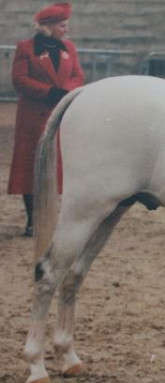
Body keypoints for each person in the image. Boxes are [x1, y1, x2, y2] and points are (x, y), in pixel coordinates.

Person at [7, 2, 84, 237]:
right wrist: (49, 92)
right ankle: (33, 220)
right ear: (48, 26)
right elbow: (20, 79)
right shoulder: (26, 48)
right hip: (33, 118)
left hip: (60, 114)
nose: (66, 30)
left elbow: (77, 75)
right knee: (31, 169)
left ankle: (51, 216)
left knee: (56, 168)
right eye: (62, 25)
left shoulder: (68, 48)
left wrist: (66, 91)